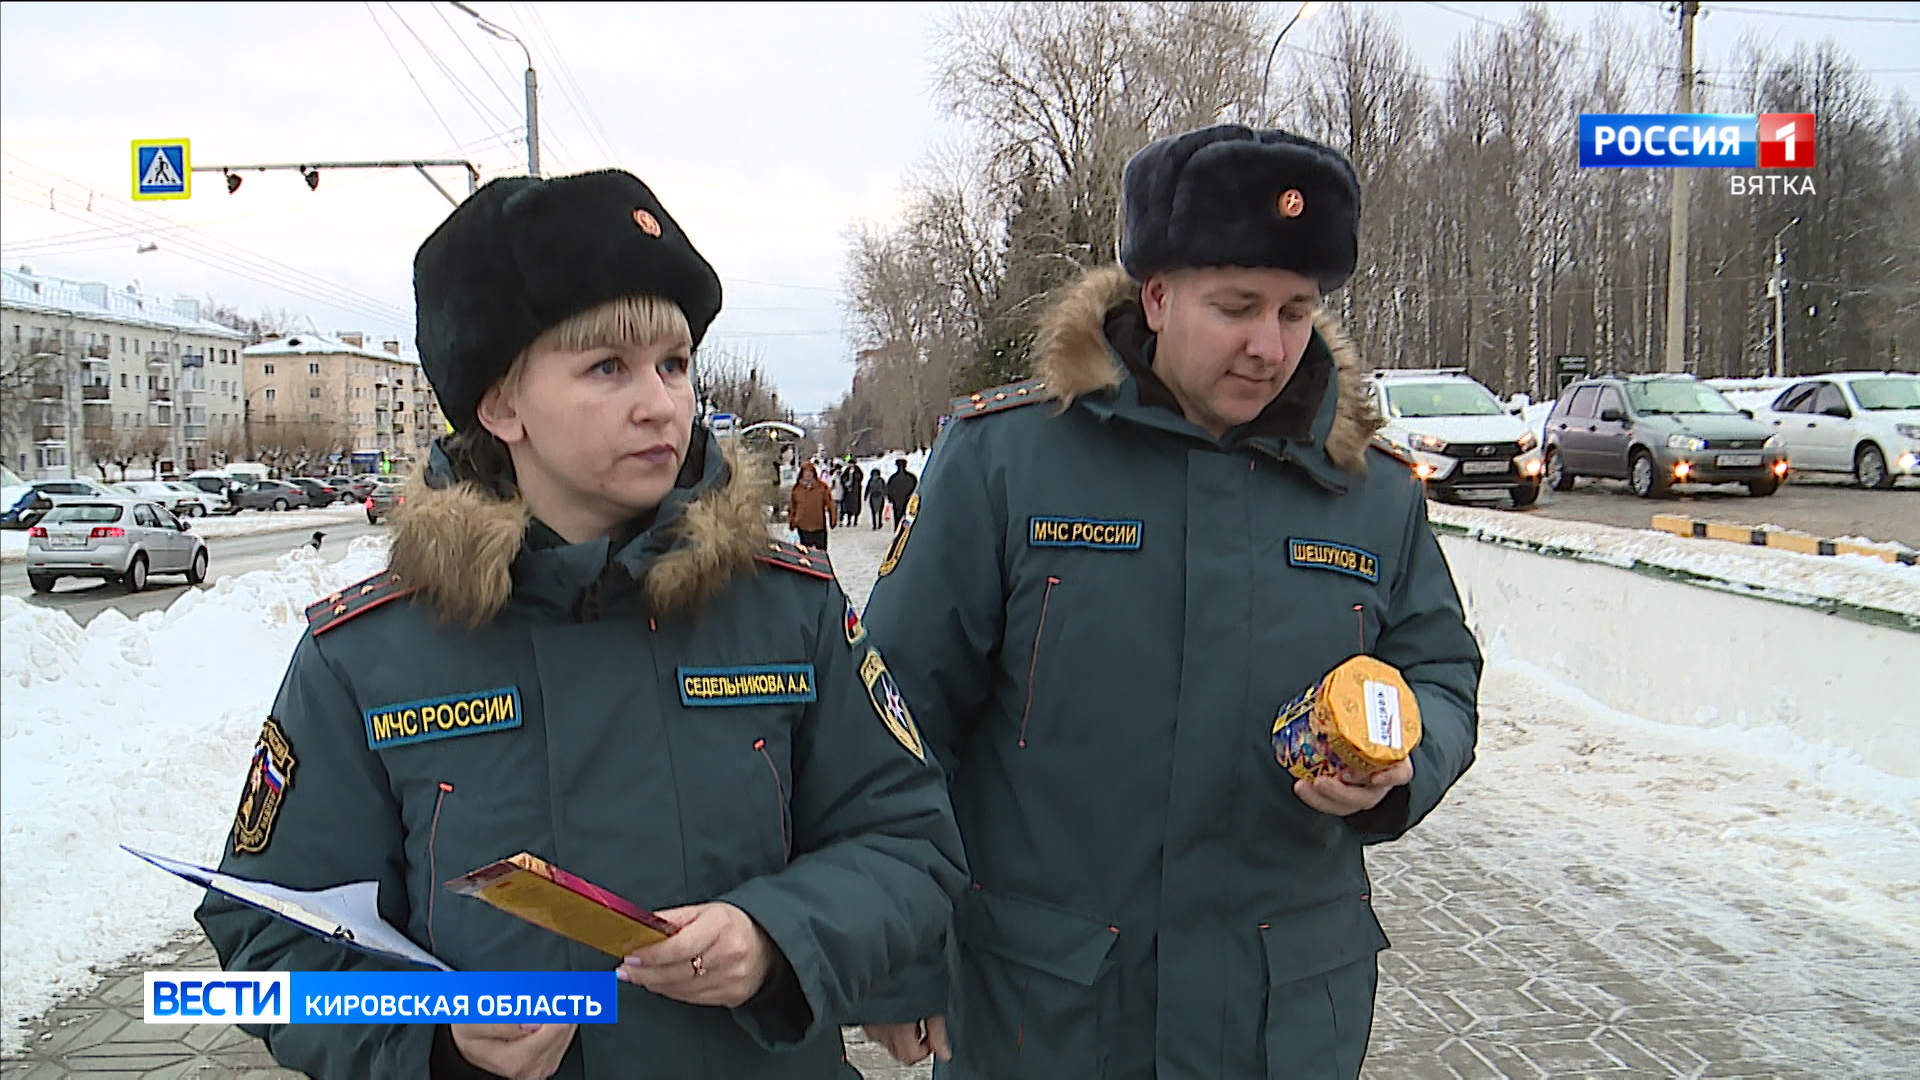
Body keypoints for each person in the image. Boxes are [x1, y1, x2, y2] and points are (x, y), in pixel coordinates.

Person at [195, 169, 966, 1080]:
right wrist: (436, 1034)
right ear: (501, 403)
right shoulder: (365, 656)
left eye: (674, 365)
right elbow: (264, 953)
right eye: (608, 368)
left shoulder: (789, 611)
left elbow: (911, 848)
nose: (661, 404)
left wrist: (776, 938)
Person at [854, 126, 1482, 1079]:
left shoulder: (1370, 491)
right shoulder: (1008, 464)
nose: (1268, 346)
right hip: (1047, 1015)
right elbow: (893, 726)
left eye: (1296, 311)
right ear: (1155, 295)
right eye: (1236, 307)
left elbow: (1440, 674)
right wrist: (898, 959)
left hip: (1283, 1019)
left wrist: (1405, 762)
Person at [788, 460, 834, 551]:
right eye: (806, 471)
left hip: (819, 526)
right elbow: (792, 507)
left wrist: (833, 519)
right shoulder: (797, 489)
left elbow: (831, 504)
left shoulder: (822, 487)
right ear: (802, 473)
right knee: (805, 554)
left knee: (821, 555)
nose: (808, 474)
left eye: (810, 471)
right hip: (803, 526)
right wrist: (792, 522)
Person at [883, 457, 916, 528]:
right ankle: (903, 532)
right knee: (907, 518)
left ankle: (898, 532)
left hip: (898, 502)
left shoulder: (892, 478)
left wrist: (891, 498)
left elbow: (888, 490)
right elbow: (916, 490)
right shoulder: (912, 477)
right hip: (907, 502)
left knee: (898, 518)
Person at [840, 461, 864, 526]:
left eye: (852, 464)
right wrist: (846, 483)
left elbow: (860, 478)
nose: (851, 465)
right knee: (848, 506)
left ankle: (855, 520)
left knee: (856, 506)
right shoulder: (847, 471)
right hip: (848, 492)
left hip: (855, 491)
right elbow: (842, 478)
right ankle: (849, 520)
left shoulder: (858, 471)